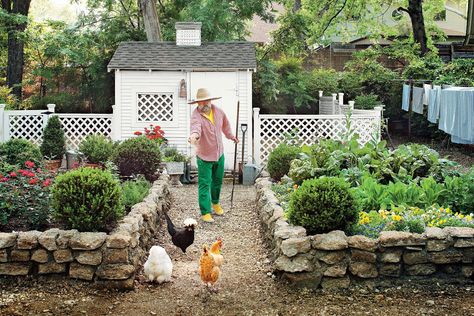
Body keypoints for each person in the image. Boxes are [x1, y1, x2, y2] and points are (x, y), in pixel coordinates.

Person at [188, 88, 238, 223]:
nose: (204, 104)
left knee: (217, 181)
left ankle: (215, 203)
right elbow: (195, 129)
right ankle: (205, 211)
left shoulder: (218, 112)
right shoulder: (196, 116)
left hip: (219, 154)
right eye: (201, 102)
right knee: (204, 184)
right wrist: (194, 136)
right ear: (197, 103)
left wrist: (231, 136)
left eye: (206, 101)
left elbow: (225, 125)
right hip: (204, 156)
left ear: (210, 101)